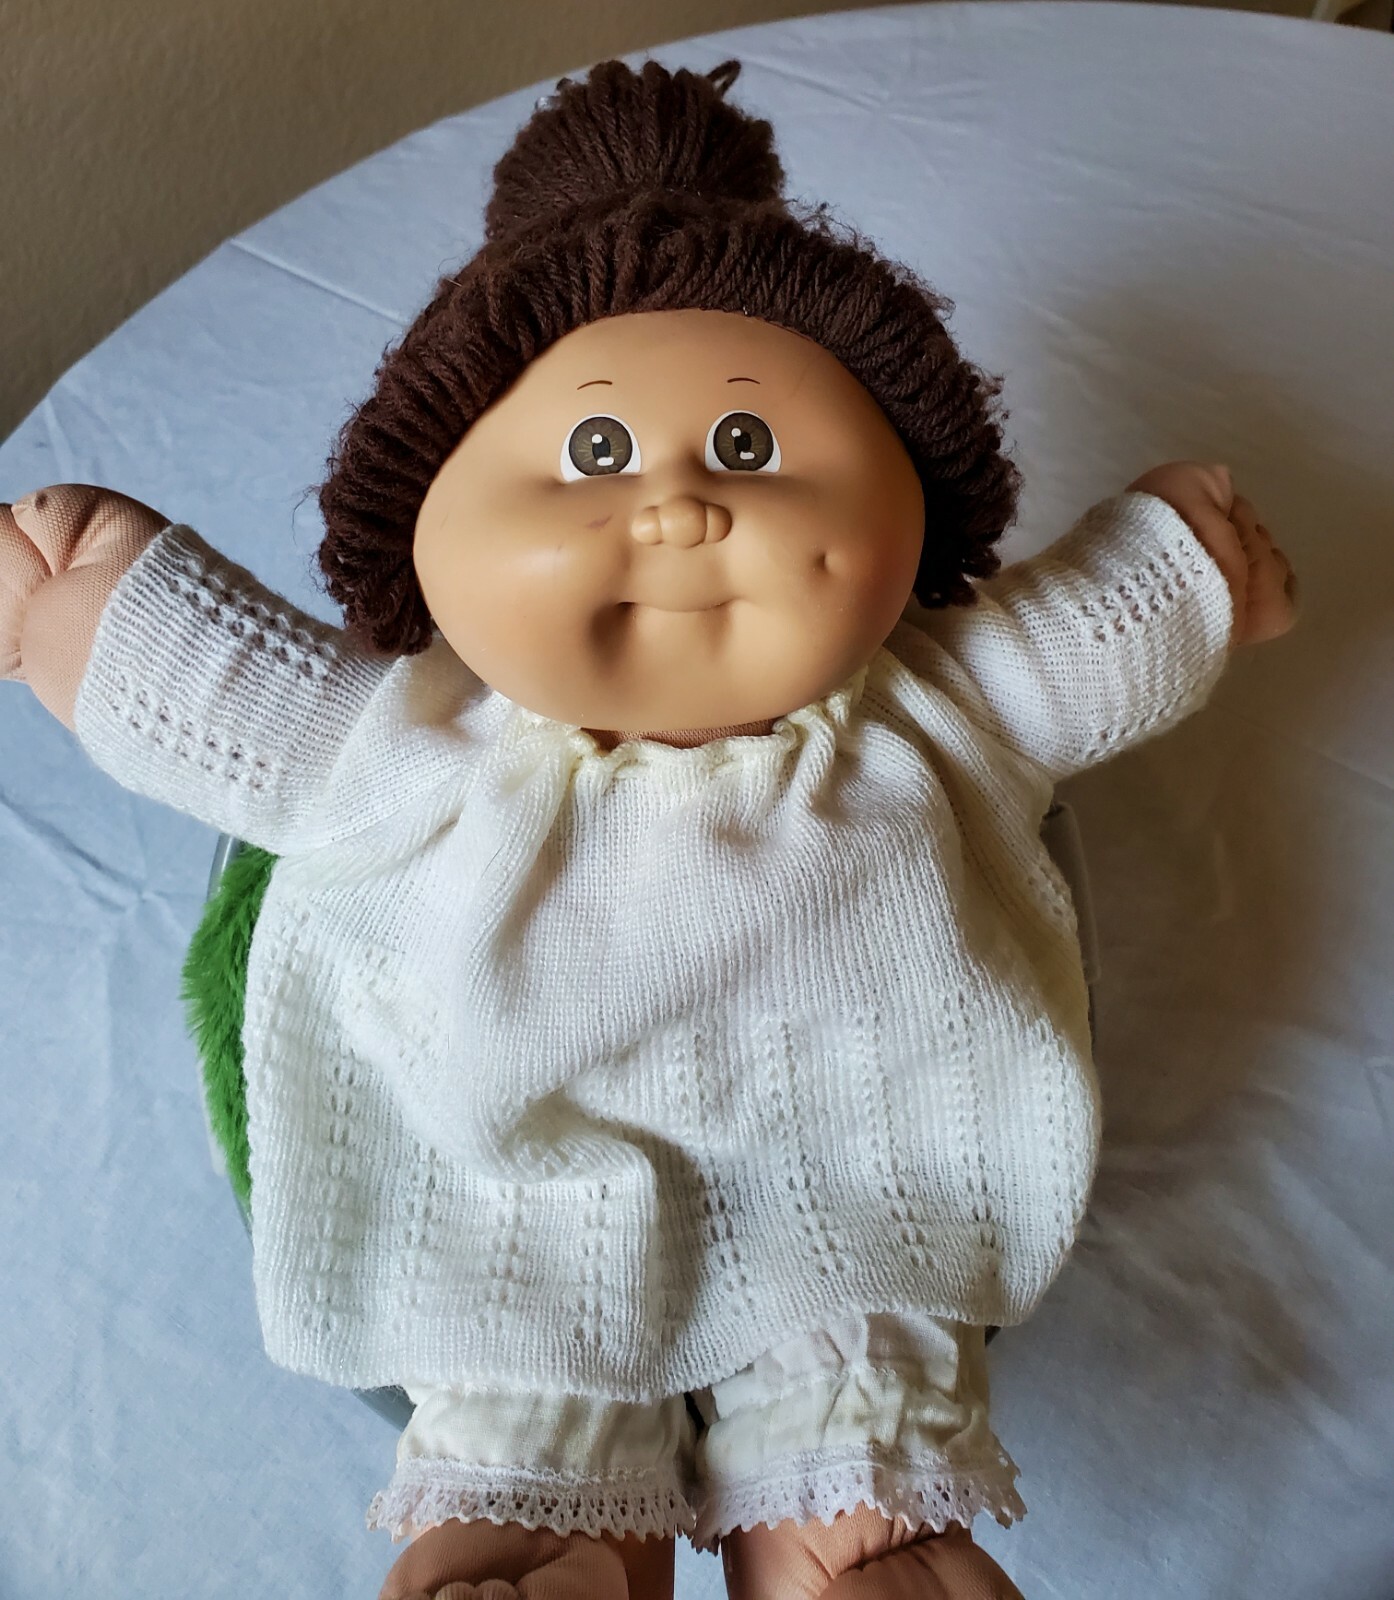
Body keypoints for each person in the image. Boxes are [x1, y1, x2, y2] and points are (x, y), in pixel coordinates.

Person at [0, 58, 1296, 1600]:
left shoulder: (934, 706)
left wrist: (1180, 562)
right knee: (516, 1363)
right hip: (518, 1194)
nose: (678, 509)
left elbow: (1077, 638)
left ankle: (851, 1544)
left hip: (854, 1186)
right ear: (426, 531)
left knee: (862, 1392)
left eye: (748, 448)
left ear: (910, 507)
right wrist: (98, 604)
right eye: (596, 455)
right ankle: (542, 1538)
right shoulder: (418, 743)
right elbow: (239, 705)